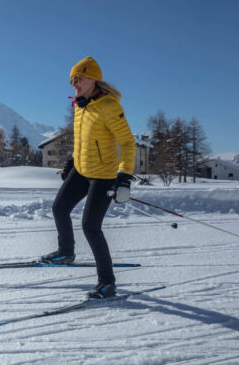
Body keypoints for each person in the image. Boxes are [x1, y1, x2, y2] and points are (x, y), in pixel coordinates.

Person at [41, 56, 136, 299]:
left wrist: (124, 177)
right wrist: (71, 162)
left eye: (78, 79)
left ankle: (107, 283)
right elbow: (82, 140)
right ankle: (66, 252)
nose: (74, 84)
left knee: (90, 227)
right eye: (72, 80)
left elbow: (127, 144)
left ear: (92, 78)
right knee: (59, 208)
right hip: (81, 170)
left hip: (103, 175)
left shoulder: (109, 107)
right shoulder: (80, 106)